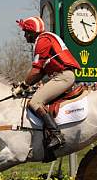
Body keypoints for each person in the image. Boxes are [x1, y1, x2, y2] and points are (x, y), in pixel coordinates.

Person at [14, 16, 81, 150]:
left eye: (26, 32)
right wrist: (27, 84)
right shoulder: (45, 38)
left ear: (32, 32)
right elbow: (41, 72)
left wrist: (23, 86)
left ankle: (57, 135)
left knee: (34, 102)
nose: (25, 36)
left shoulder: (42, 40)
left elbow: (36, 70)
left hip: (63, 76)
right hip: (63, 75)